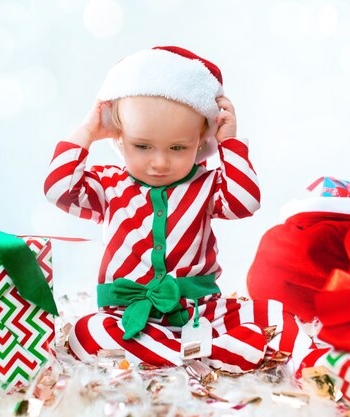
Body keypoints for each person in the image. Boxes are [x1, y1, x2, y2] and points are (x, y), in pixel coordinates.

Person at [44, 46, 321, 373]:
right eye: (142, 146)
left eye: (178, 148)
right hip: (128, 316)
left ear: (202, 139)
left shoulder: (206, 185)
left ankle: (312, 366)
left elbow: (247, 201)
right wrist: (87, 131)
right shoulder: (108, 184)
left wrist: (228, 142)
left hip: (202, 312)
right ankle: (207, 354)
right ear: (119, 137)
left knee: (275, 316)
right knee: (85, 333)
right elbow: (58, 188)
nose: (159, 162)